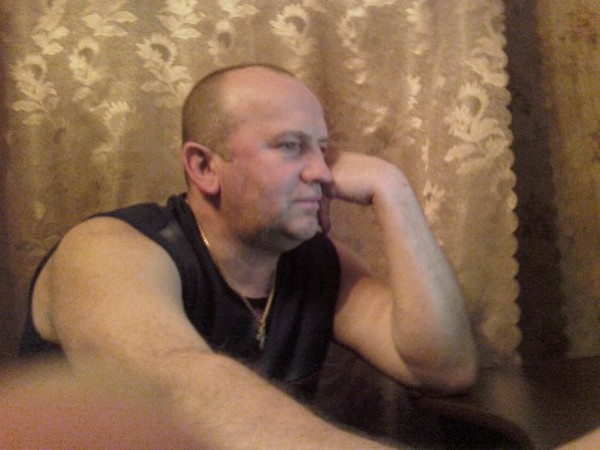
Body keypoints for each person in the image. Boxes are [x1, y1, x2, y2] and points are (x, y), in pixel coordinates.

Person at [20, 63, 478, 448]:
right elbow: (176, 393)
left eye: (323, 150)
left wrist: (392, 188)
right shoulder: (107, 249)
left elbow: (443, 367)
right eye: (290, 146)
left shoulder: (314, 262)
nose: (322, 172)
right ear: (204, 167)